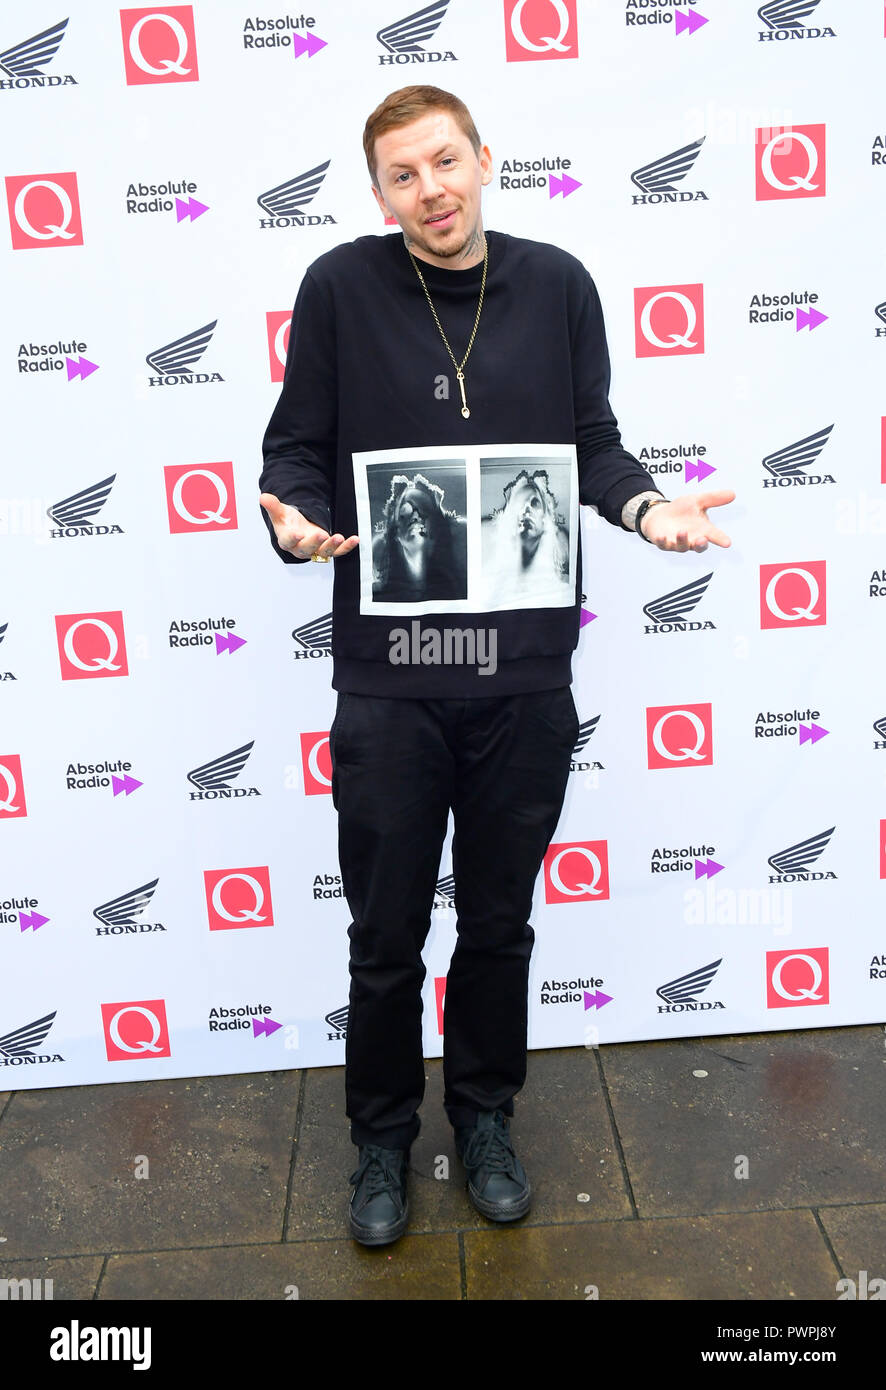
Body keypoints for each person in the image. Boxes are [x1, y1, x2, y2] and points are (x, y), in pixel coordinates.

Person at [259, 84, 734, 1247]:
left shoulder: (559, 282)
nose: (430, 191)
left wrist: (646, 512)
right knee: (381, 931)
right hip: (393, 674)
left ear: (484, 159)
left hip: (522, 674)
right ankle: (380, 1140)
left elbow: (593, 442)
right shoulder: (338, 289)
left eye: (444, 163)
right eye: (402, 176)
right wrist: (295, 523)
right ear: (380, 195)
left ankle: (481, 1118)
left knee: (500, 921)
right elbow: (295, 452)